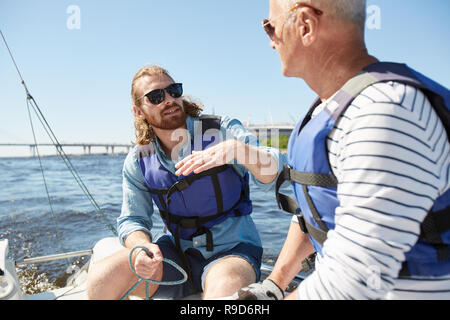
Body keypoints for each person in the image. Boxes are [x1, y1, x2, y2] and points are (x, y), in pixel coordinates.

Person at [234, 0, 449, 300]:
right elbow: (316, 214)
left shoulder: (384, 113)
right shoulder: (331, 109)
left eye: (270, 27)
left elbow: (356, 280)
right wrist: (273, 286)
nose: (271, 41)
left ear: (305, 26)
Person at [86, 65, 284, 300]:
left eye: (174, 90)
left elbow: (273, 169)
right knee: (101, 279)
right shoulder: (138, 160)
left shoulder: (221, 130)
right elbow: (133, 220)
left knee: (223, 289)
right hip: (175, 257)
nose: (169, 99)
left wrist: (237, 150)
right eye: (156, 96)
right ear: (138, 111)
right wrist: (141, 247)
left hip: (232, 252)